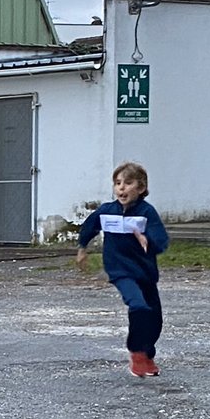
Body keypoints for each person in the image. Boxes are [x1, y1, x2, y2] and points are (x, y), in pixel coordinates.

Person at [76, 161, 169, 377]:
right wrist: (82, 248)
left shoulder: (147, 212)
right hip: (120, 271)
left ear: (141, 188)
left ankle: (147, 354)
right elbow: (89, 227)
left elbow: (161, 239)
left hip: (145, 273)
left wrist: (148, 241)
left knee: (154, 319)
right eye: (118, 183)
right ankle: (136, 353)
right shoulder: (107, 211)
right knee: (138, 306)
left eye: (128, 183)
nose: (121, 188)